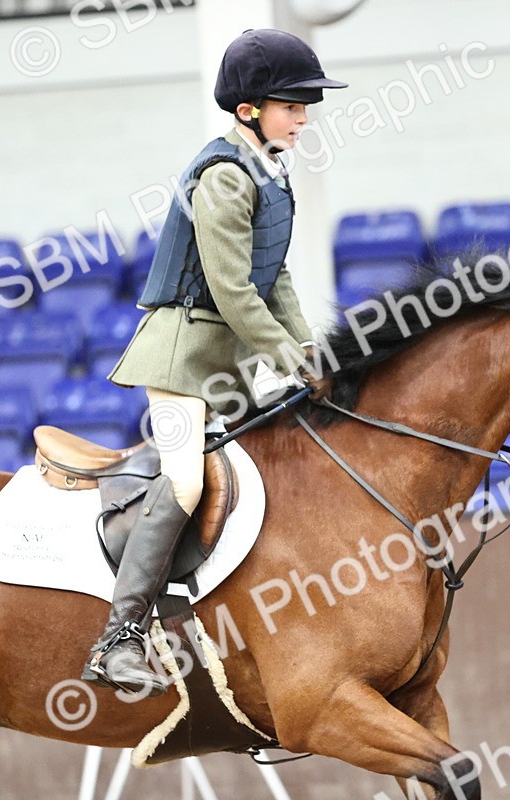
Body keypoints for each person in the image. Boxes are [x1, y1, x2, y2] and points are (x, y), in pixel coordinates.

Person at [81, 28, 346, 696]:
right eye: (294, 104)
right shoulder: (225, 178)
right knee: (187, 482)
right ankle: (119, 638)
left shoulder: (269, 171)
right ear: (251, 108)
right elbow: (232, 293)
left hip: (227, 368)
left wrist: (306, 347)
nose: (305, 116)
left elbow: (274, 278)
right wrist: (288, 355)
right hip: (180, 364)